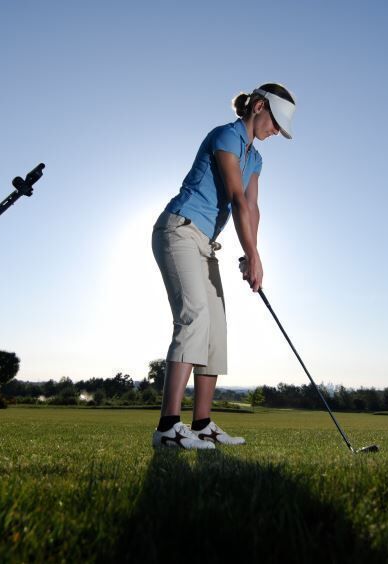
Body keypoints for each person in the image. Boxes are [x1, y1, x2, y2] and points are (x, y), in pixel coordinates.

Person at [150, 83, 296, 449]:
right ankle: (168, 427)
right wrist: (254, 256)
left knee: (216, 331)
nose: (275, 132)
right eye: (275, 123)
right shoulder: (225, 136)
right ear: (259, 106)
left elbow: (253, 206)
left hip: (206, 245)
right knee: (194, 319)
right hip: (179, 230)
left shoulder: (256, 158)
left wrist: (252, 253)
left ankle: (202, 424)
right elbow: (235, 199)